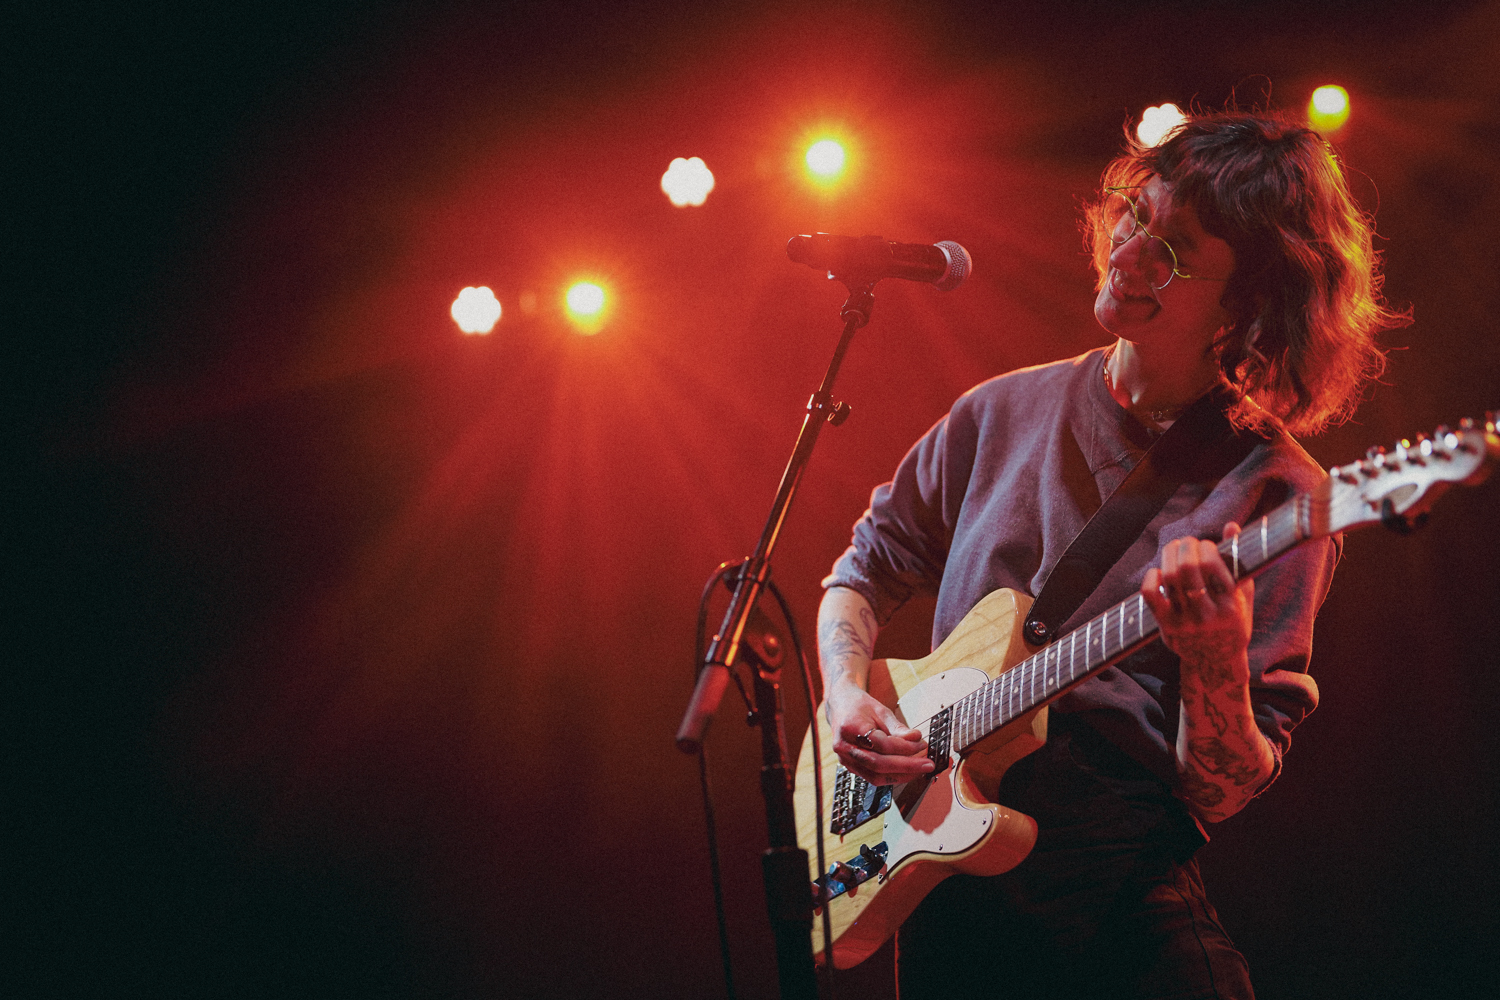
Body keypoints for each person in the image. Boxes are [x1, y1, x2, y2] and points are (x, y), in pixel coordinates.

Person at [816, 111, 1402, 999]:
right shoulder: (998, 411)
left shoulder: (1283, 494)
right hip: (946, 888)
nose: (1125, 254)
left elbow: (1226, 791)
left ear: (1245, 304)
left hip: (1117, 891)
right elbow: (860, 573)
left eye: (1169, 251)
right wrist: (847, 691)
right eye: (1134, 215)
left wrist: (1212, 662)